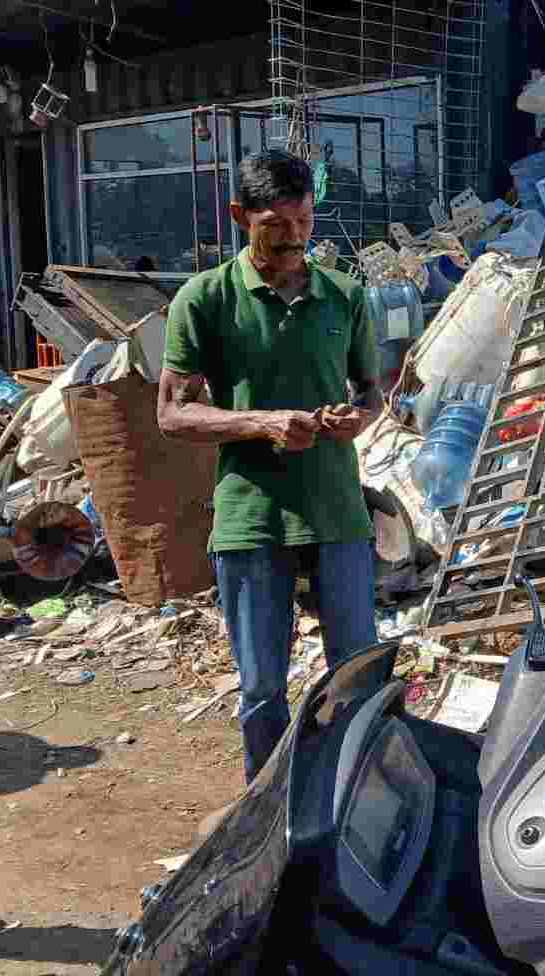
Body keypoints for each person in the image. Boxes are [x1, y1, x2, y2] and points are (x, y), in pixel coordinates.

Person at [157, 149, 382, 807]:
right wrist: (262, 424)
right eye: (275, 226)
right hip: (251, 516)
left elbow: (373, 393)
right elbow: (172, 413)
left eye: (304, 222)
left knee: (356, 675)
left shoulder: (343, 295)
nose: (293, 239)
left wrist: (356, 419)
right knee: (261, 687)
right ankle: (269, 809)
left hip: (337, 510)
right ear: (239, 217)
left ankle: (353, 800)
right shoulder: (205, 299)